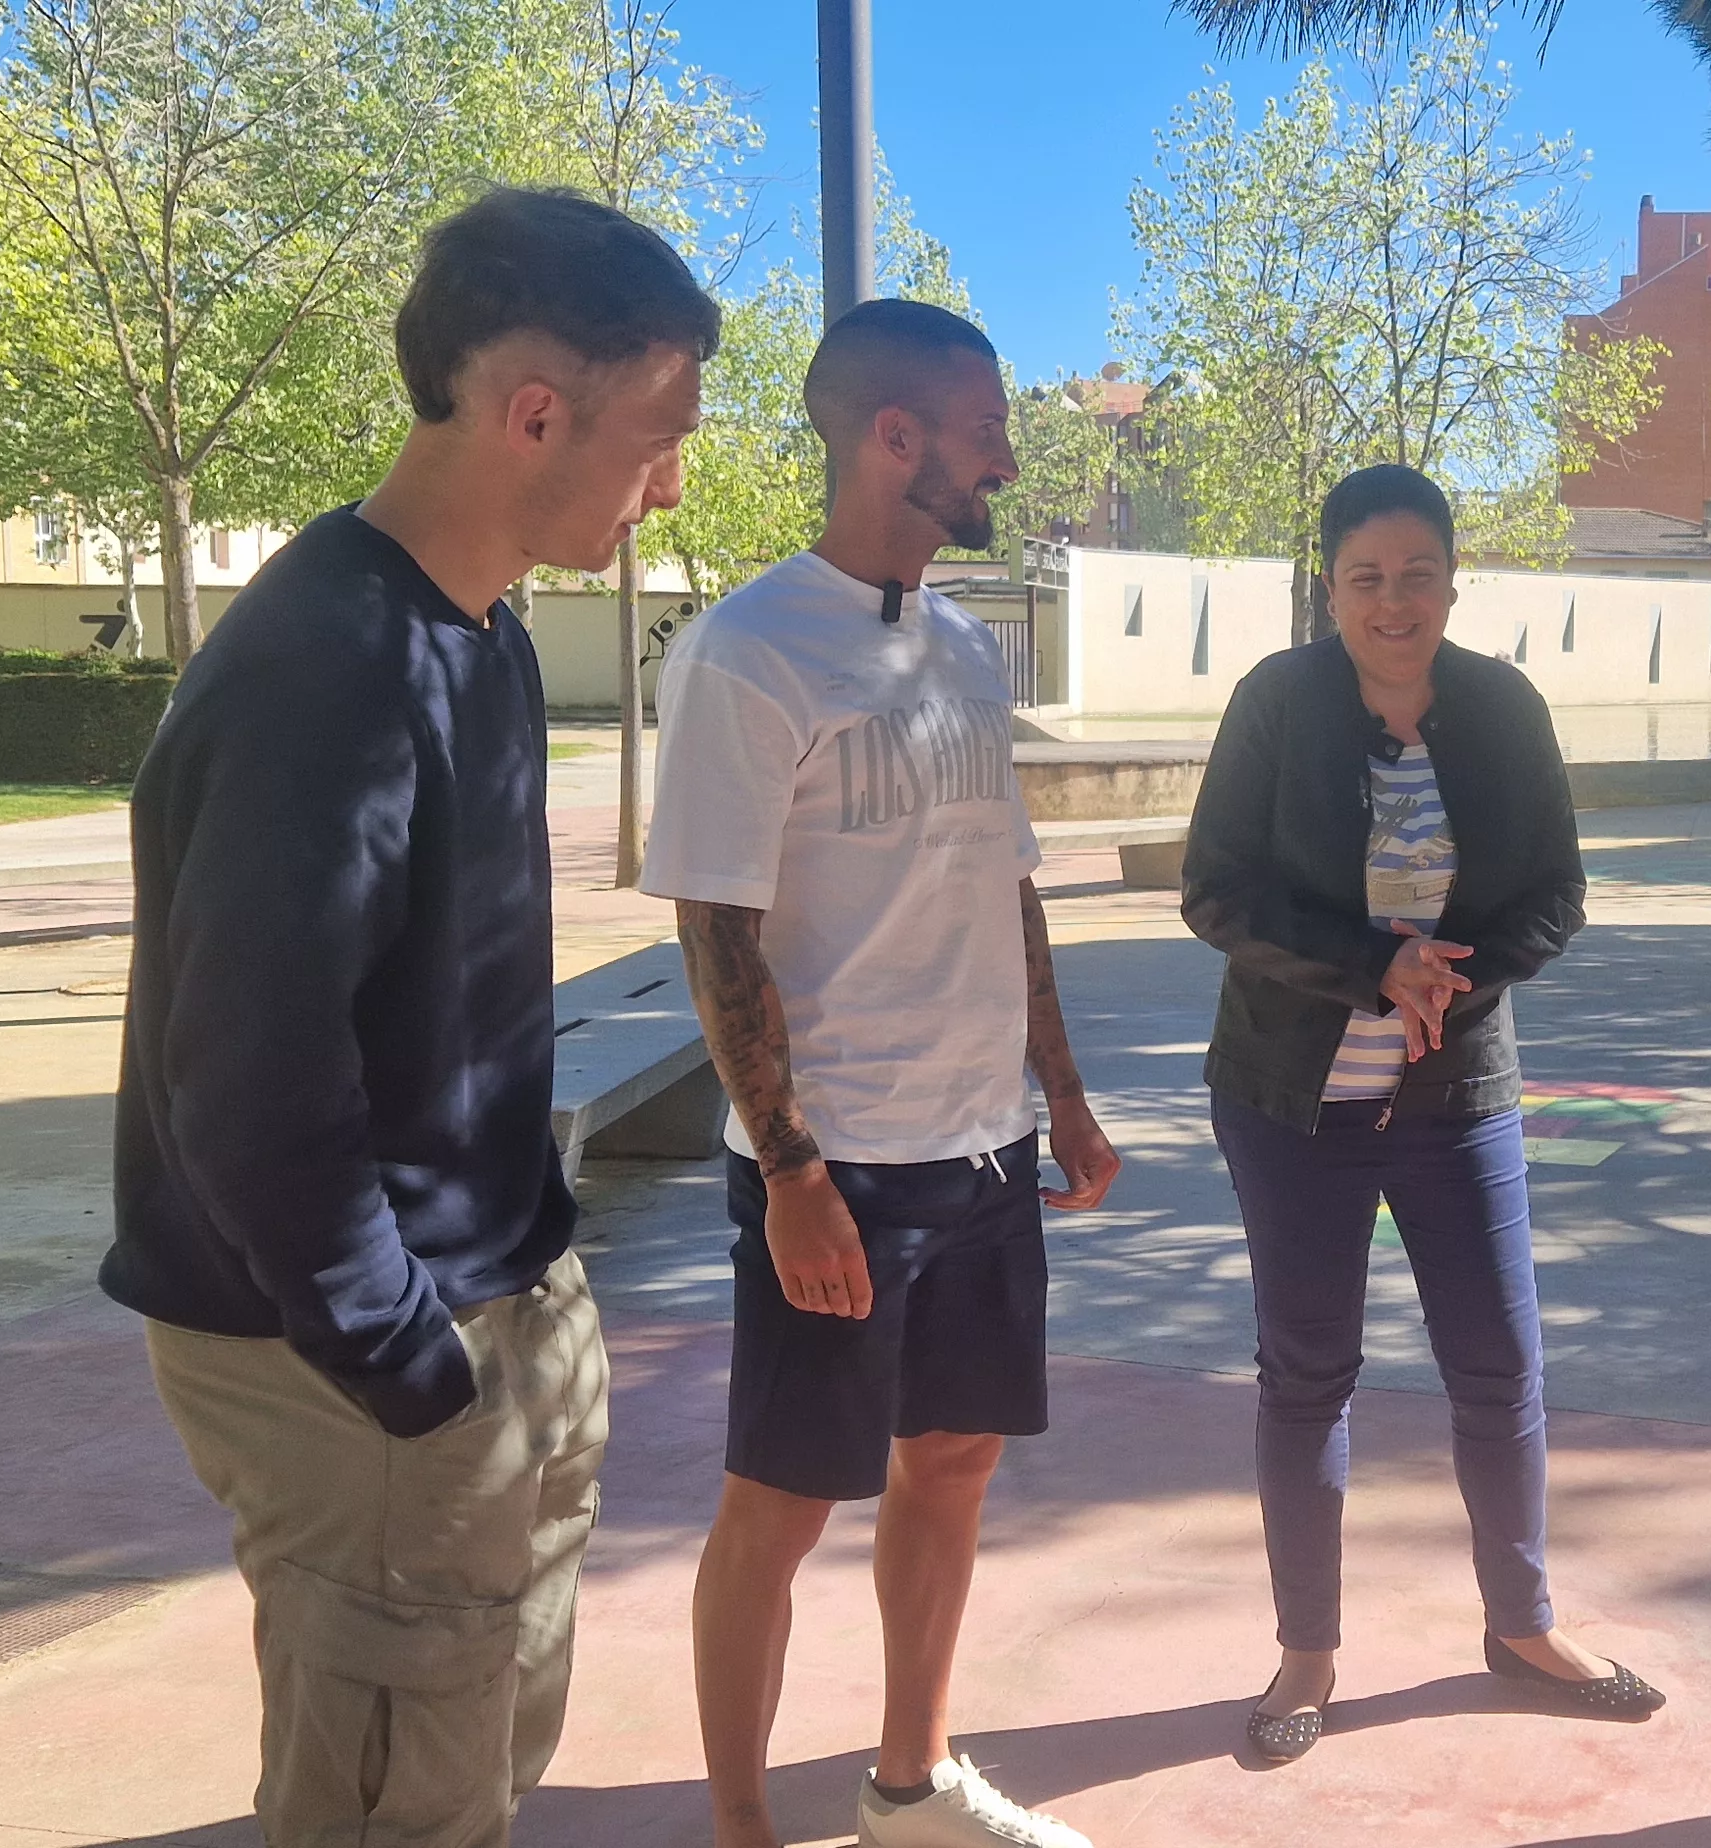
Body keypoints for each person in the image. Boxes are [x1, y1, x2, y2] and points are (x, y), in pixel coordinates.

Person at [105, 186, 713, 1848]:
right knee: (395, 1805)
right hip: (360, 1357)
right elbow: (247, 1074)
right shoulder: (330, 665)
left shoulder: (482, 636)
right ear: (536, 412)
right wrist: (404, 1359)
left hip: (492, 1297)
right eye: (661, 437)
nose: (672, 483)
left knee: (475, 1763)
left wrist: (533, 1299)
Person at [644, 297, 1122, 1848]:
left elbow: (1007, 887)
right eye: (985, 430)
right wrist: (789, 1171)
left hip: (983, 1149)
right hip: (837, 1167)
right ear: (893, 437)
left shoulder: (965, 648)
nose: (1005, 460)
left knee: (956, 1462)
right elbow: (716, 932)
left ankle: (909, 1786)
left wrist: (1063, 1096)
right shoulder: (746, 651)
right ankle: (740, 1826)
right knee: (780, 1506)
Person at [1178, 463, 1657, 1765]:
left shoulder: (1501, 707)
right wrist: (1371, 967)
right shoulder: (1278, 702)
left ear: (1453, 580)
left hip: (1459, 1096)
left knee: (1499, 1367)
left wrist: (1452, 978)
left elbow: (1556, 892)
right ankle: (1308, 1653)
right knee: (1308, 1377)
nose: (1394, 602)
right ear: (1330, 587)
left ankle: (1524, 1627)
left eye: (1418, 576)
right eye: (1366, 578)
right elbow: (1215, 889)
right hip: (1290, 1101)